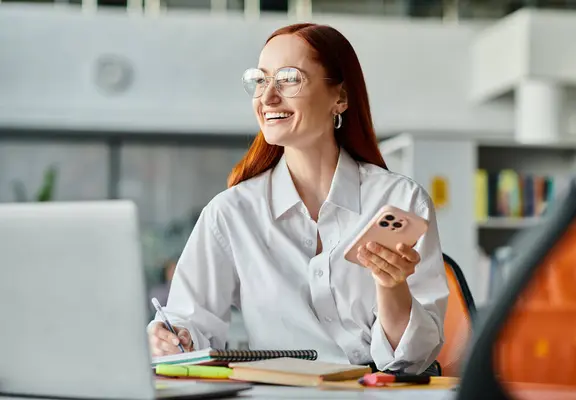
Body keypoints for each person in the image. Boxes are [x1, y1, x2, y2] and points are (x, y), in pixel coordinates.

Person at [148, 23, 449, 375]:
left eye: (289, 79)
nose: (267, 97)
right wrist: (174, 338)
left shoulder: (399, 200)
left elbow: (414, 361)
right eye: (260, 80)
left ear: (340, 97)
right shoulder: (231, 214)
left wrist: (392, 286)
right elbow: (190, 327)